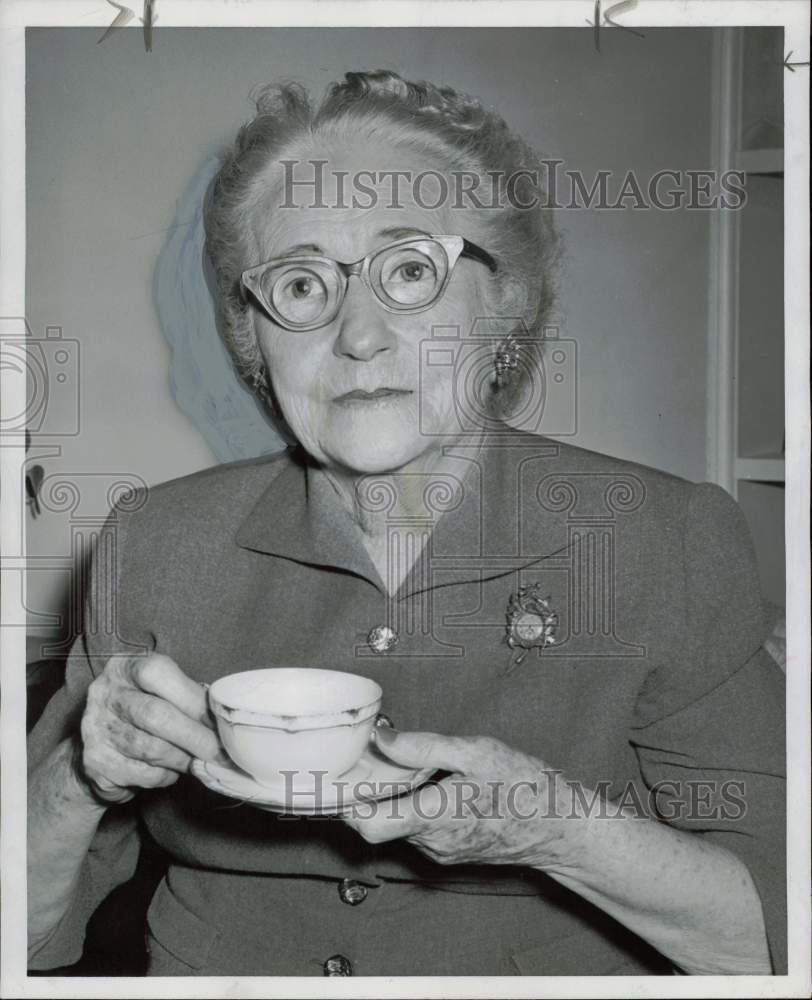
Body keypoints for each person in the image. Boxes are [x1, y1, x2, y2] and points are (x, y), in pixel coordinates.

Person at [27, 70, 786, 977]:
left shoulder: (666, 541)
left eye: (411, 271)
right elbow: (22, 938)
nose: (358, 335)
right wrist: (79, 774)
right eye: (302, 285)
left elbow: (780, 933)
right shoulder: (153, 543)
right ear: (253, 340)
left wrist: (557, 832)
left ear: (504, 307)